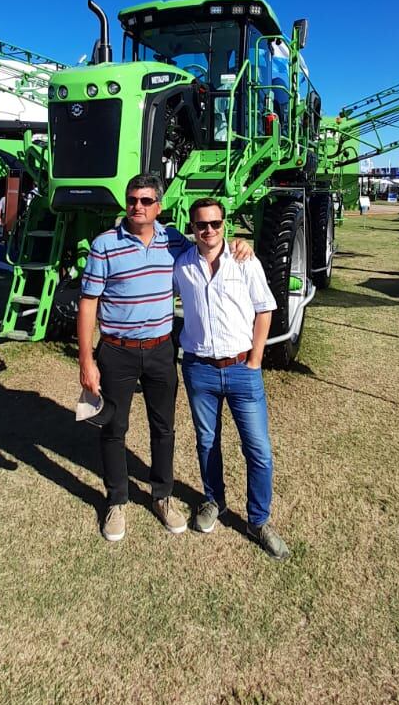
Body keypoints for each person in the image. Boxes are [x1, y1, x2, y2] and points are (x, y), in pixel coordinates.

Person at [78, 173, 251, 543]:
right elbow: (88, 302)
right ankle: (117, 500)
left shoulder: (173, 241)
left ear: (159, 206)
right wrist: (86, 361)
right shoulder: (104, 244)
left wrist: (240, 244)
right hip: (116, 352)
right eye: (131, 200)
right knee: (114, 428)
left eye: (144, 201)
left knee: (164, 428)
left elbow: (209, 246)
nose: (136, 206)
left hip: (161, 350)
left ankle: (162, 495)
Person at [174, 197, 289, 560]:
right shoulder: (182, 266)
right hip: (200, 369)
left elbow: (265, 308)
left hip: (242, 369)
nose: (208, 231)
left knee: (258, 449)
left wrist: (256, 359)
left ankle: (259, 520)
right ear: (192, 228)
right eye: (200, 225)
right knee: (207, 442)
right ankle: (213, 501)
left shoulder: (245, 260)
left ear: (225, 225)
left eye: (215, 224)